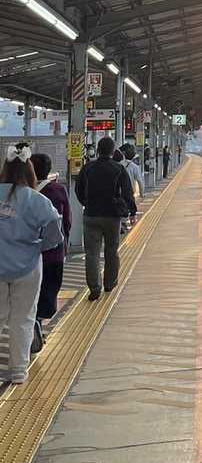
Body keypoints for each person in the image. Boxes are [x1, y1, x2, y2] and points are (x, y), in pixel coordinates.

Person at [0, 143, 62, 385]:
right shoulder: (37, 200)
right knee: (23, 317)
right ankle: (18, 370)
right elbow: (54, 233)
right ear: (30, 170)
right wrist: (38, 246)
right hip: (27, 267)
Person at [74, 136, 136, 300]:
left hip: (91, 215)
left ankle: (94, 288)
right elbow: (128, 192)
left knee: (92, 253)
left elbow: (78, 189)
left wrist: (86, 203)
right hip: (112, 216)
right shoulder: (118, 169)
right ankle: (109, 283)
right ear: (113, 151)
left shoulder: (87, 168)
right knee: (111, 251)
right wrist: (132, 211)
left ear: (98, 150)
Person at [29, 152, 71, 354]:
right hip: (53, 254)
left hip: (27, 255)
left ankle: (32, 320)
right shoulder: (58, 190)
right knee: (49, 290)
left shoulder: (22, 193)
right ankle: (38, 319)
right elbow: (67, 222)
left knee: (28, 294)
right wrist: (65, 246)